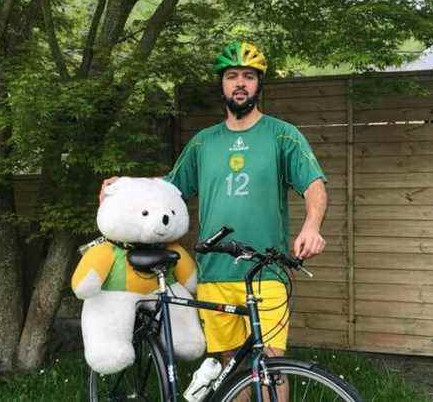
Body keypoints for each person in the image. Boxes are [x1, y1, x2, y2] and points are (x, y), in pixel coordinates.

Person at [100, 40, 328, 397]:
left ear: (259, 84)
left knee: (270, 363)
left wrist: (312, 226)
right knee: (230, 367)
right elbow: (170, 188)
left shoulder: (282, 135)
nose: (240, 83)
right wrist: (126, 185)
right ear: (222, 84)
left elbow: (314, 185)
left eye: (248, 76)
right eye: (232, 76)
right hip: (215, 271)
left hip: (266, 269)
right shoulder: (205, 142)